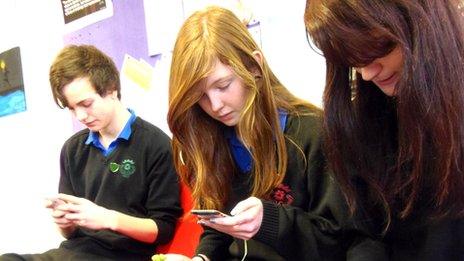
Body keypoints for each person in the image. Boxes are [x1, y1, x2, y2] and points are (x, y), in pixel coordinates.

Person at [163, 6, 382, 261]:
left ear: (255, 66)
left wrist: (270, 221)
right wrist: (203, 258)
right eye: (199, 96)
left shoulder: (313, 134)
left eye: (223, 85)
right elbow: (218, 231)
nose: (214, 105)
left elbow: (348, 240)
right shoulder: (214, 142)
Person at [304, 0, 464, 260]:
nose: (367, 73)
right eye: (352, 59)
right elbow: (367, 232)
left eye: (380, 47)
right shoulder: (365, 121)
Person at [0, 45, 182, 261]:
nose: (80, 116)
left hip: (124, 255)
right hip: (73, 252)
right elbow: (73, 233)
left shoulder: (156, 145)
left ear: (112, 89)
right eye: (72, 108)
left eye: (86, 104)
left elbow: (162, 229)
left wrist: (106, 218)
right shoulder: (72, 150)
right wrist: (65, 223)